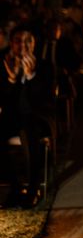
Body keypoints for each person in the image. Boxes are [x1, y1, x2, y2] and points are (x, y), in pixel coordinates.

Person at [0, 26, 54, 208]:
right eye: (17, 41)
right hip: (11, 118)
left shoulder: (45, 66)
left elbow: (46, 99)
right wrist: (12, 80)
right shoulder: (4, 63)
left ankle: (32, 190)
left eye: (26, 41)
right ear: (11, 43)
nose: (22, 45)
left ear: (33, 44)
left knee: (29, 133)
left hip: (36, 118)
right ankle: (15, 189)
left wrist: (31, 76)